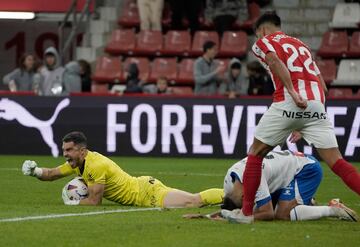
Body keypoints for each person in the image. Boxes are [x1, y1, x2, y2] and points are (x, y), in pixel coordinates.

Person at [236, 11, 360, 224]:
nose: (258, 40)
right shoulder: (301, 45)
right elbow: (322, 86)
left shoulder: (263, 42)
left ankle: (246, 213)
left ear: (262, 30)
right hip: (316, 105)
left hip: (287, 100)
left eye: (258, 34)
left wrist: (292, 92)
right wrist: (307, 118)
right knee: (338, 162)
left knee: (255, 154)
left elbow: (274, 61)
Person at [22, 131, 224, 207]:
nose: (65, 154)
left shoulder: (95, 165)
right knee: (192, 201)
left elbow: (94, 201)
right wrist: (35, 171)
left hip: (146, 193)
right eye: (63, 150)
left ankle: (237, 196)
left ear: (82, 151)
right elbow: (51, 174)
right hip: (141, 189)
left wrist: (73, 202)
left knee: (193, 201)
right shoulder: (78, 163)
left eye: (69, 150)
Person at [220, 150, 358, 222]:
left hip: (305, 169)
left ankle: (333, 210)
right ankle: (307, 202)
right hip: (285, 171)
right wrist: (216, 215)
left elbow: (267, 214)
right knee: (264, 206)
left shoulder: (255, 177)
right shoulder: (229, 181)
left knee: (282, 214)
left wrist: (241, 216)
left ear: (244, 196)